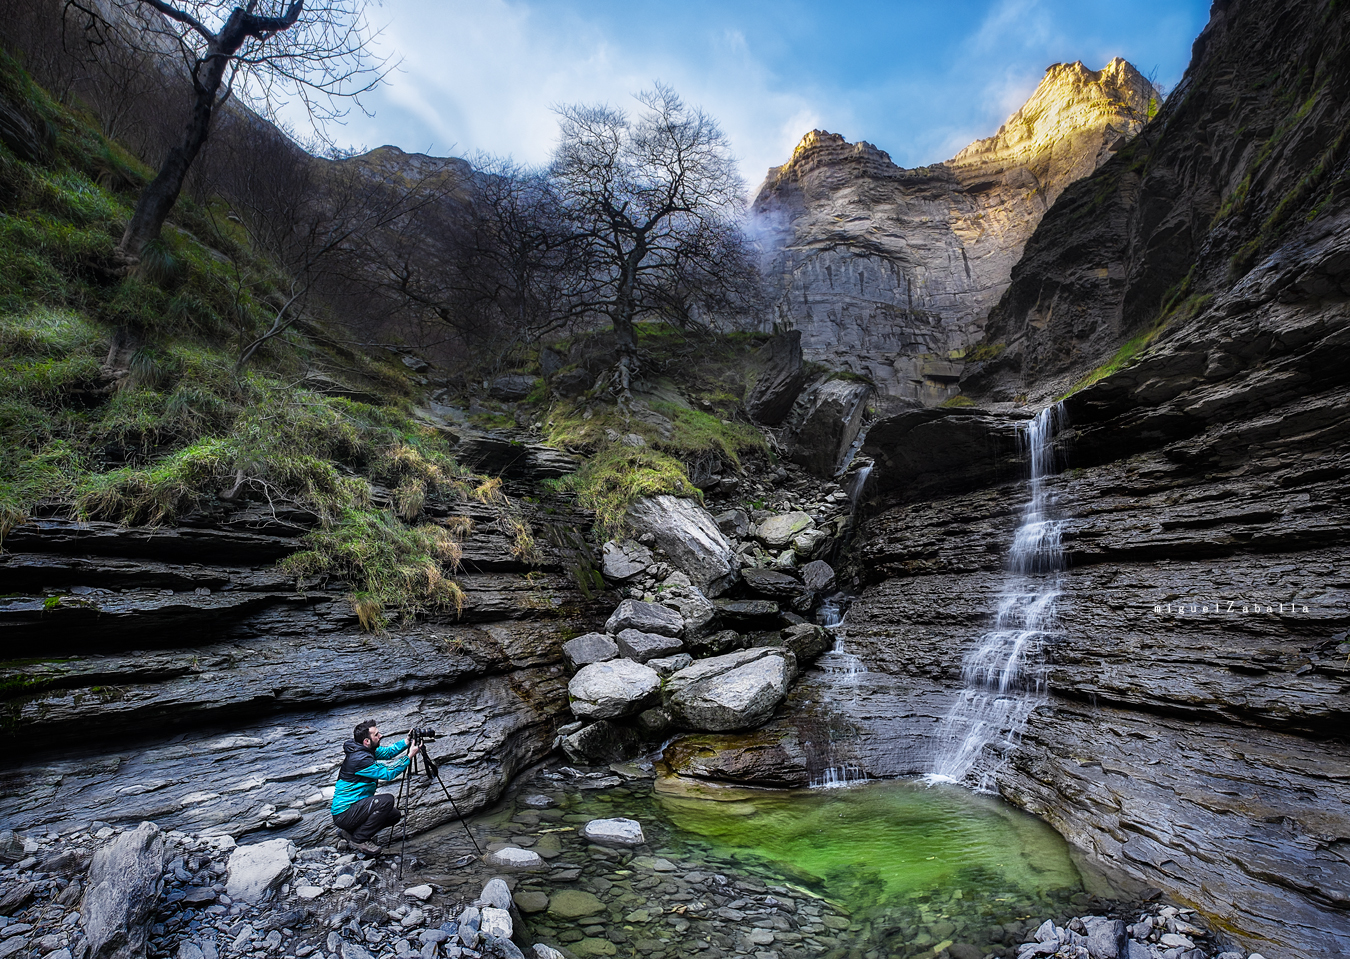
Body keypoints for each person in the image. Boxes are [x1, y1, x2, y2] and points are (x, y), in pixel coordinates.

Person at [331, 720, 420, 854]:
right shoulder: (360, 759)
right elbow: (388, 772)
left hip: (353, 809)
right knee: (386, 801)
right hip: (344, 813)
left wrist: (407, 741)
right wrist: (409, 756)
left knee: (394, 815)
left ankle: (351, 833)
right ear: (367, 741)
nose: (381, 736)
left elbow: (388, 752)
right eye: (376, 734)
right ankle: (359, 839)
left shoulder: (364, 750)